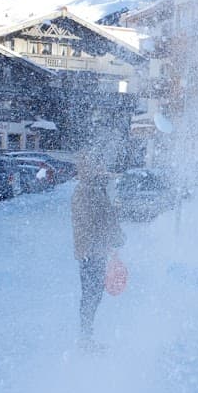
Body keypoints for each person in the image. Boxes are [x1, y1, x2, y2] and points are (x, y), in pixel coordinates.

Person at [71, 150, 124, 351]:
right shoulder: (86, 192)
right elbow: (97, 223)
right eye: (98, 166)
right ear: (89, 169)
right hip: (90, 253)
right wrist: (114, 237)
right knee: (91, 295)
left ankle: (86, 337)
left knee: (94, 295)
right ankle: (85, 339)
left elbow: (104, 218)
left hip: (94, 251)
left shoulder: (93, 189)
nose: (102, 169)